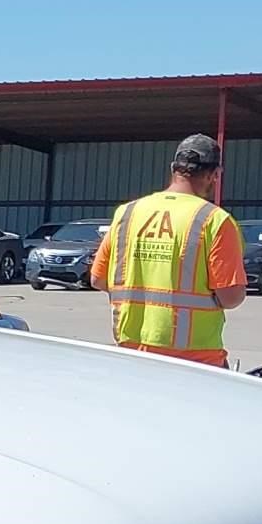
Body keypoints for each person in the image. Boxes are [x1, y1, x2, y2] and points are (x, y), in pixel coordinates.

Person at [88, 133, 245, 366]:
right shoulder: (215, 221)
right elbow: (231, 297)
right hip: (196, 361)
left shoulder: (127, 213)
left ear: (174, 169)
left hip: (132, 354)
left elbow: (99, 279)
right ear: (214, 175)